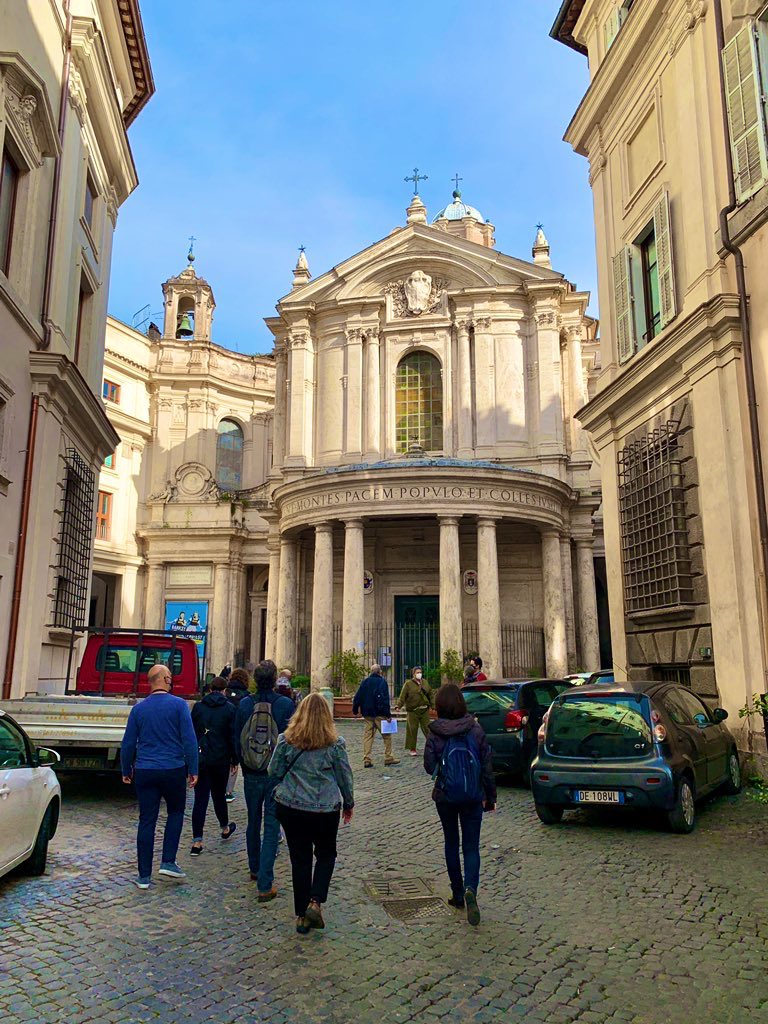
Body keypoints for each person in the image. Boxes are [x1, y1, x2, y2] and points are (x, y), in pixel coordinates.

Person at [268, 693, 354, 935]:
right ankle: (315, 901)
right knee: (326, 854)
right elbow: (344, 777)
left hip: (292, 806)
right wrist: (349, 802)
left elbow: (273, 770)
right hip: (325, 809)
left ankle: (301, 915)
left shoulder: (287, 740)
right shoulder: (335, 744)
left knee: (300, 859)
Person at [424, 684, 496, 926]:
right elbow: (487, 767)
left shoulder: (435, 732)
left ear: (440, 706)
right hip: (473, 795)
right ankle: (470, 890)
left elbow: (428, 766)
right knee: (472, 847)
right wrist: (491, 796)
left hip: (445, 796)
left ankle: (456, 893)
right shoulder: (475, 730)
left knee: (451, 843)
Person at [121, 663, 199, 889]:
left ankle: (144, 876)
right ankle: (168, 860)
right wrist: (193, 768)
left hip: (145, 770)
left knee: (147, 820)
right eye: (170, 677)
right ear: (165, 679)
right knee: (175, 812)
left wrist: (126, 769)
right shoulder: (179, 706)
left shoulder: (139, 709)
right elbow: (189, 739)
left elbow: (128, 744)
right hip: (173, 769)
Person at [233, 659, 295, 901]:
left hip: (251, 773)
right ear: (276, 678)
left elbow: (237, 737)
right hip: (275, 774)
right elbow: (292, 739)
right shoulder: (285, 705)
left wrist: (244, 764)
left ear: (254, 680)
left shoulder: (245, 704)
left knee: (252, 821)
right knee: (271, 825)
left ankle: (254, 867)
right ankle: (265, 883)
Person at [190, 676, 237, 855]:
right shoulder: (230, 709)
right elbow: (232, 736)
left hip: (202, 758)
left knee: (200, 799)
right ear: (224, 690)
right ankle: (225, 827)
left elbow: (192, 734)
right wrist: (234, 760)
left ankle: (197, 841)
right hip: (221, 759)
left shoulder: (199, 708)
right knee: (219, 796)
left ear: (210, 689)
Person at [353, 664, 400, 768]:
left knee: (368, 736)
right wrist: (388, 714)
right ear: (380, 672)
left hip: (368, 713)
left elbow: (358, 697)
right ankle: (388, 757)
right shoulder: (382, 682)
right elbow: (385, 699)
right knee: (386, 736)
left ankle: (367, 758)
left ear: (371, 671)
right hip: (380, 713)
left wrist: (355, 710)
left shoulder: (365, 682)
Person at [224, 667, 251, 801]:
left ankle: (221, 786)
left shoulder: (226, 692)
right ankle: (229, 791)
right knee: (234, 762)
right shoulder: (247, 696)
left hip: (225, 730)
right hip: (239, 731)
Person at [397, 666, 433, 757]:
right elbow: (402, 696)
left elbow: (430, 694)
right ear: (413, 674)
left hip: (424, 709)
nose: (419, 674)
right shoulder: (408, 684)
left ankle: (432, 746)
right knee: (412, 730)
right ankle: (412, 748)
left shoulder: (425, 682)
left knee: (428, 729)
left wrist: (433, 705)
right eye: (417, 672)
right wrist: (399, 705)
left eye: (420, 672)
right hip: (413, 710)